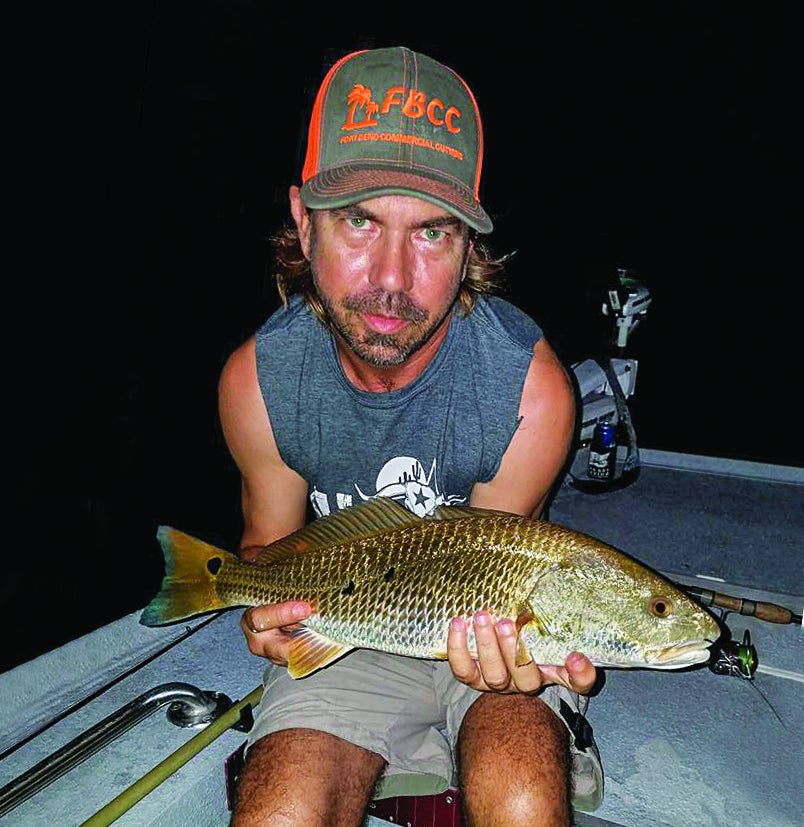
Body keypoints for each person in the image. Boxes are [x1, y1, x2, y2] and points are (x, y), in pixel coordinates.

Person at [218, 45, 603, 827]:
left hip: (488, 639)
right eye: (359, 220)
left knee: (524, 799)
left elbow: (507, 594)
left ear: (469, 247)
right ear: (304, 219)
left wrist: (522, 658)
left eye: (431, 233)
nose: (391, 276)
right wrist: (261, 612)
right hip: (345, 622)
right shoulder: (256, 383)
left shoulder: (533, 392)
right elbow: (267, 553)